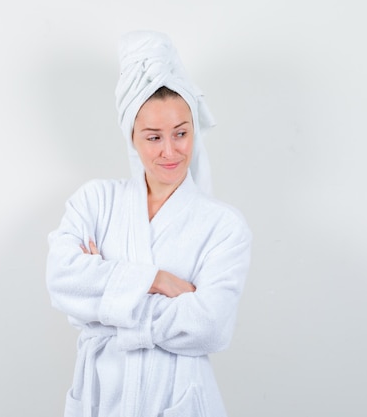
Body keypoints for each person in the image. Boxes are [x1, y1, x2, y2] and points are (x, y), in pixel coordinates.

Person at [45, 30, 252, 417]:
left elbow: (210, 327)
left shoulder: (223, 226)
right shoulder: (96, 201)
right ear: (133, 138)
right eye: (153, 137)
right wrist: (157, 281)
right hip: (101, 397)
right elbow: (61, 281)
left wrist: (101, 302)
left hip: (178, 400)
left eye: (181, 133)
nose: (170, 151)